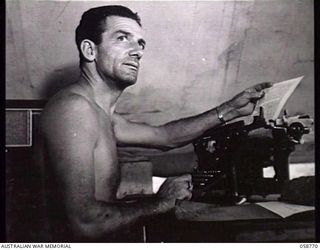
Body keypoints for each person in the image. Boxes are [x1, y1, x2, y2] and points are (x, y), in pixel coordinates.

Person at [36, 5, 272, 242]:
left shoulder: (99, 113)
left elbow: (165, 136)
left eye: (140, 43)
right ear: (90, 50)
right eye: (122, 38)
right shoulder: (74, 108)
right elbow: (84, 222)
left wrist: (231, 109)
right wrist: (160, 202)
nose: (137, 51)